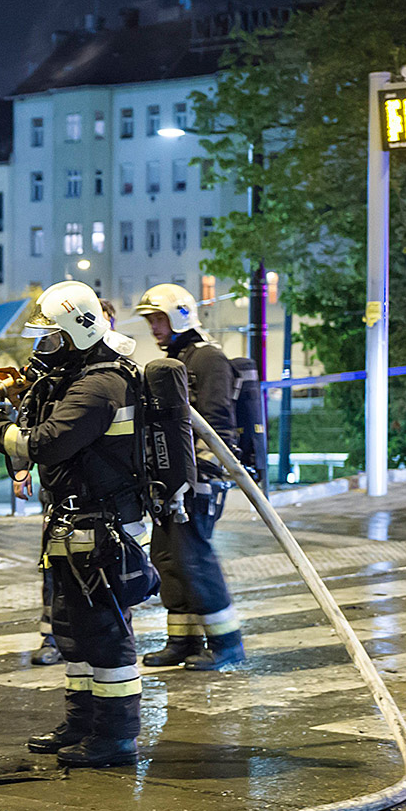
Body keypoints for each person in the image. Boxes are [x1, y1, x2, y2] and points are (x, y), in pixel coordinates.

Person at [0, 281, 155, 766]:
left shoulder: (100, 385)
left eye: (50, 339)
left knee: (105, 631)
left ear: (76, 335)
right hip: (77, 523)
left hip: (105, 527)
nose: (41, 350)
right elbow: (44, 409)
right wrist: (16, 389)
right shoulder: (79, 376)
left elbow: (45, 442)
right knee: (72, 627)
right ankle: (81, 722)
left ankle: (115, 736)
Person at [134, 283, 244, 670]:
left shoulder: (208, 359)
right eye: (150, 320)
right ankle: (182, 640)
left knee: (193, 556)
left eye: (159, 318)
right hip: (170, 476)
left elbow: (217, 423)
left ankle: (227, 643)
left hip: (198, 478)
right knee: (167, 557)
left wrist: (204, 474)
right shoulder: (177, 360)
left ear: (180, 315)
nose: (154, 327)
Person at [27, 295, 121, 667]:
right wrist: (20, 467)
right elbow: (33, 426)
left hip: (98, 510)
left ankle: (111, 720)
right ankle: (56, 638)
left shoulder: (99, 383)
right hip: (63, 501)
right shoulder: (66, 378)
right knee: (59, 578)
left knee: (97, 602)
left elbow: (47, 441)